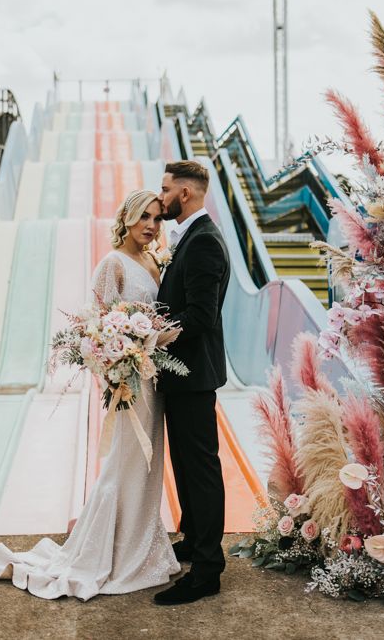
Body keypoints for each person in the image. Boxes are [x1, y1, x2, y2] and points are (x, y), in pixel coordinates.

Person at [0, 189, 180, 600]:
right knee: (124, 463)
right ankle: (110, 552)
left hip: (153, 380)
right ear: (126, 217)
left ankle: (140, 546)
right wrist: (116, 371)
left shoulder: (153, 260)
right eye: (144, 216)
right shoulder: (113, 264)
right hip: (129, 382)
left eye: (158, 218)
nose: (151, 225)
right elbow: (97, 328)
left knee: (147, 468)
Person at [153, 160, 230, 605]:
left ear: (185, 194)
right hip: (182, 374)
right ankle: (194, 537)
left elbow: (201, 316)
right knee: (184, 462)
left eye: (165, 189)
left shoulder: (204, 243)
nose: (159, 196)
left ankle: (207, 569)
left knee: (200, 469)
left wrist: (149, 332)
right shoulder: (192, 238)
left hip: (193, 374)